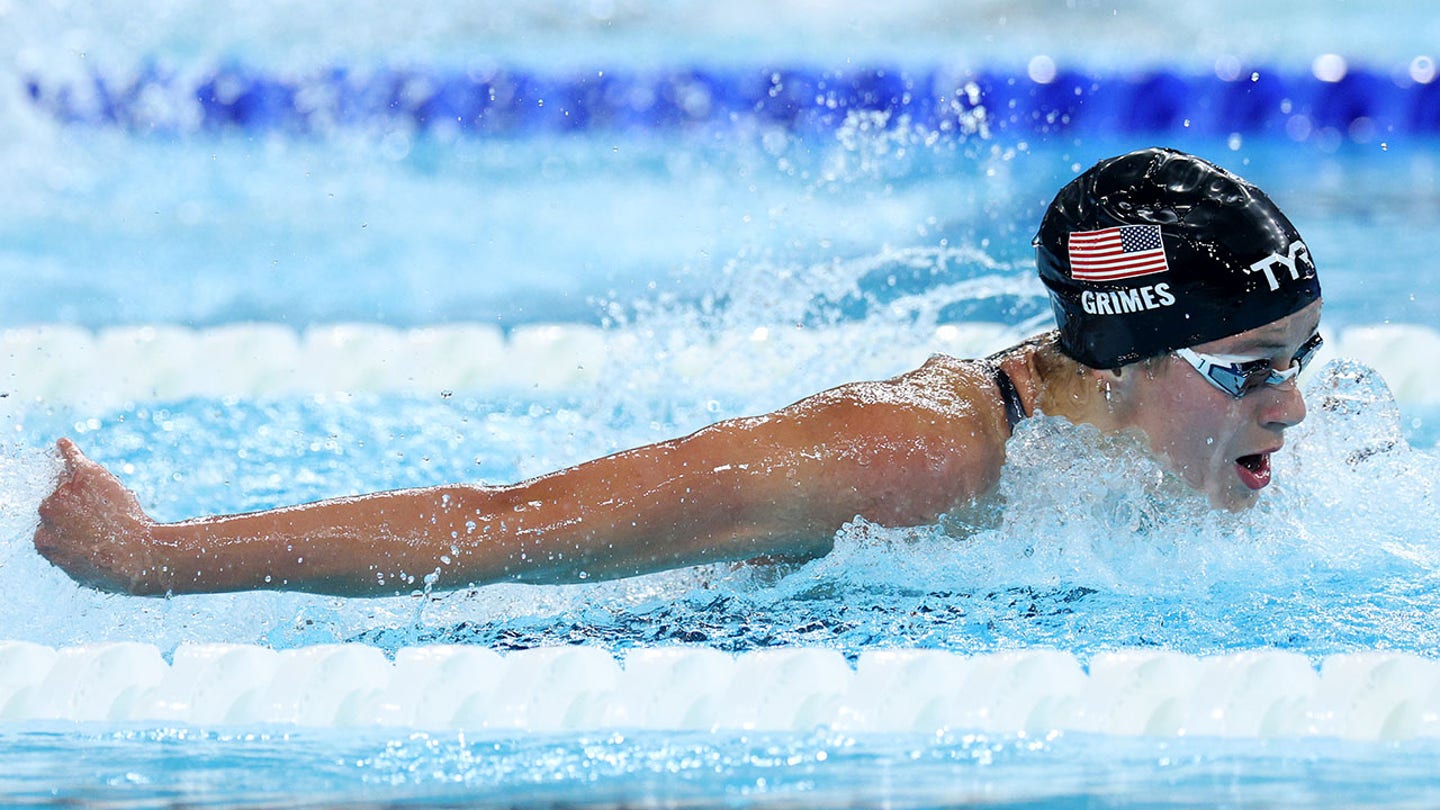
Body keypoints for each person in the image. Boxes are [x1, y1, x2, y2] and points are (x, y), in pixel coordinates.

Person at [32, 147, 1323, 597]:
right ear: (1124, 354)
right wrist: (154, 555)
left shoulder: (1122, 436)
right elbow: (503, 525)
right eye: (1250, 367)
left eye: (1303, 357)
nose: (1296, 403)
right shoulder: (902, 451)